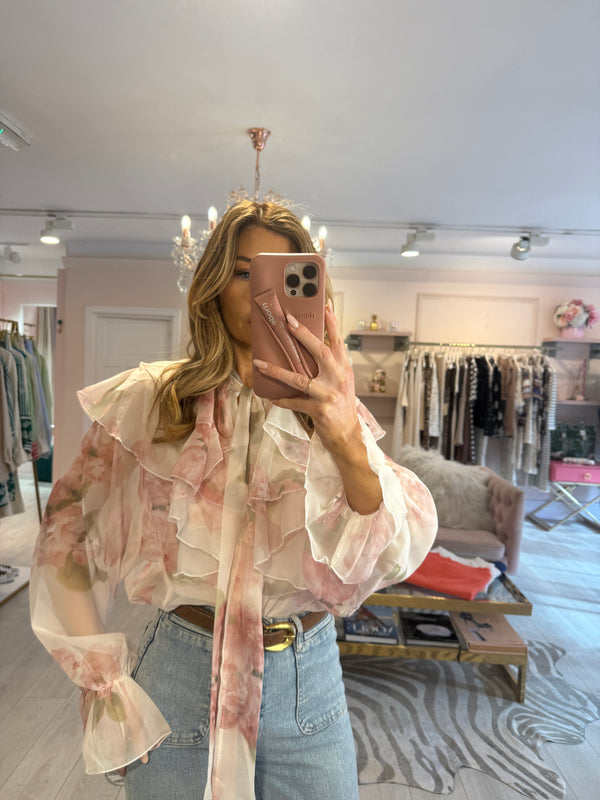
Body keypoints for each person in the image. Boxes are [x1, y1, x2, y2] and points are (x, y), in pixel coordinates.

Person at [30, 200, 438, 800]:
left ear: (313, 292)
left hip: (308, 681)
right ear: (214, 286)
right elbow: (67, 537)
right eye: (245, 272)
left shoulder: (334, 412)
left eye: (284, 277)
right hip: (179, 674)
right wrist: (103, 685)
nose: (264, 294)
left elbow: (391, 554)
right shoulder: (152, 399)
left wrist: (345, 435)